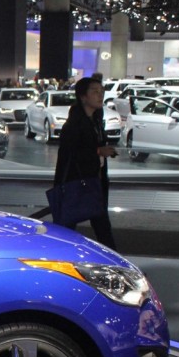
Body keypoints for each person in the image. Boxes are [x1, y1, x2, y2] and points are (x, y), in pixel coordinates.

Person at [53, 75, 118, 249]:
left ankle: (111, 258)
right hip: (78, 183)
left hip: (94, 182)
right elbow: (70, 153)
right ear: (83, 97)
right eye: (95, 91)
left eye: (102, 91)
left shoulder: (95, 121)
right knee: (69, 228)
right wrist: (98, 151)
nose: (100, 95)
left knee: (101, 227)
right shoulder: (74, 124)